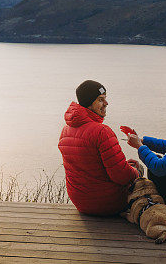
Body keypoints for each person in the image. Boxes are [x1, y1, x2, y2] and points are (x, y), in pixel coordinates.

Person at [58, 79, 140, 215]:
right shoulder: (102, 131)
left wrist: (126, 165)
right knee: (139, 171)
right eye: (101, 100)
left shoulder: (66, 130)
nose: (106, 103)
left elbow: (93, 167)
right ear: (89, 103)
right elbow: (121, 176)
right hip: (107, 203)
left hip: (80, 202)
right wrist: (135, 171)